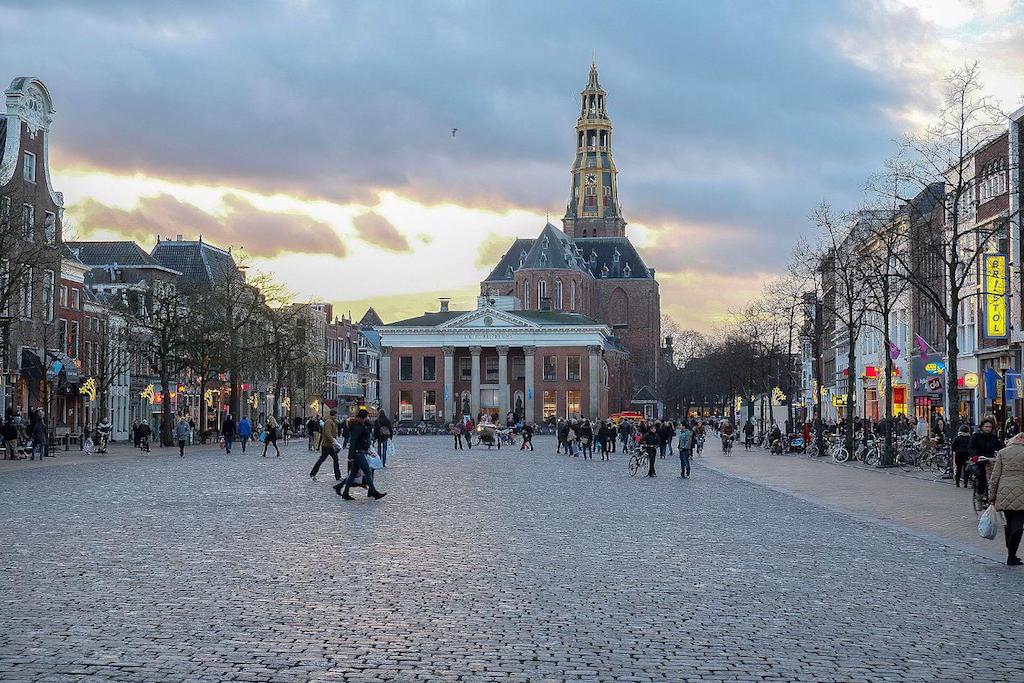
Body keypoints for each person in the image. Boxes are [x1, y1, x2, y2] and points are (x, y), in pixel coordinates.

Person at [988, 432, 1024, 565]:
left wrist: (992, 496)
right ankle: (1012, 555)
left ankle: (1010, 552)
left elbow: (995, 476)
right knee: (1018, 525)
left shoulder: (1003, 452)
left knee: (1009, 522)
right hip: (1021, 492)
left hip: (1004, 492)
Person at [334, 409, 386, 500]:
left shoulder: (361, 425)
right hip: (358, 453)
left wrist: (367, 451)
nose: (368, 418)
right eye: (367, 416)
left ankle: (344, 492)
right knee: (368, 472)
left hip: (360, 452)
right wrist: (350, 456)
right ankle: (373, 492)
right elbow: (354, 441)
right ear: (363, 417)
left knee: (353, 474)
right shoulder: (358, 427)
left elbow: (361, 440)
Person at [970, 417, 1004, 498]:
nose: (988, 429)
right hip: (980, 460)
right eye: (986, 427)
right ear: (982, 427)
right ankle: (980, 495)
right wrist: (974, 456)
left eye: (990, 427)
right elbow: (971, 447)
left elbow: (1000, 448)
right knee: (982, 476)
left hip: (991, 460)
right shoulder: (976, 436)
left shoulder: (993, 437)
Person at [310, 409, 342, 482]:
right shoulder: (329, 422)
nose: (337, 416)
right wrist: (333, 441)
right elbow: (328, 433)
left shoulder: (331, 421)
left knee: (335, 460)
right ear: (334, 415)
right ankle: (313, 473)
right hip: (327, 445)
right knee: (322, 459)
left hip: (330, 445)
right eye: (336, 415)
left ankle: (338, 476)